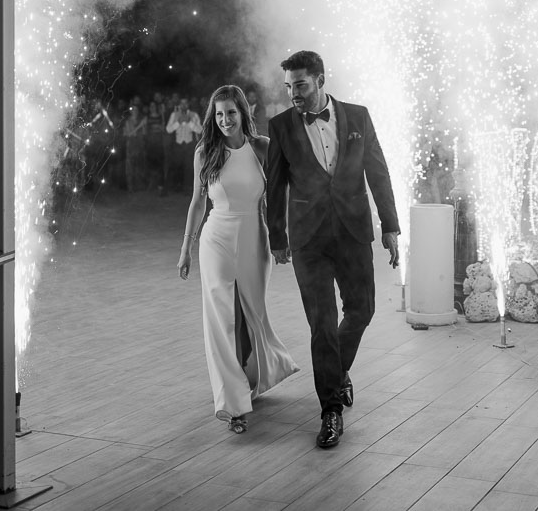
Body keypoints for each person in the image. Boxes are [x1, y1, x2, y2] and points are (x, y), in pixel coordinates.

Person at [266, 50, 400, 449]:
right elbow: (275, 187)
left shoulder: (358, 116)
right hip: (308, 240)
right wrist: (278, 239)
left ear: (321, 80)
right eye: (289, 87)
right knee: (322, 325)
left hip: (354, 231)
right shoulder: (281, 126)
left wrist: (390, 226)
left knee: (362, 309)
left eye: (301, 85)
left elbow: (377, 170)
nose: (294, 94)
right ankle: (330, 411)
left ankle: (335, 371)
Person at [178, 85, 299, 433]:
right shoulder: (205, 152)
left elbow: (280, 198)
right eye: (218, 114)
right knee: (221, 319)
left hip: (254, 236)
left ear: (243, 113)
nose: (225, 120)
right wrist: (186, 248)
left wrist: (282, 237)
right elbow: (197, 203)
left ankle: (254, 375)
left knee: (251, 313)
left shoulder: (262, 148)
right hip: (215, 237)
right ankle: (231, 403)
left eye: (231, 113)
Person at [165, 97, 203, 190]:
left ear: (188, 104)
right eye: (182, 103)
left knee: (189, 166)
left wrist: (189, 122)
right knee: (177, 165)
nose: (183, 105)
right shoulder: (174, 115)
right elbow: (168, 129)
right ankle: (176, 186)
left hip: (189, 144)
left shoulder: (194, 115)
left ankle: (188, 187)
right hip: (177, 144)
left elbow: (200, 130)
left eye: (185, 103)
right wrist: (178, 122)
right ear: (179, 105)